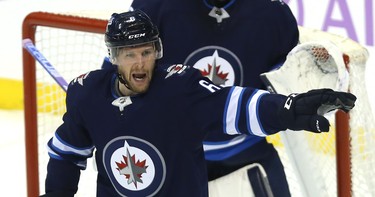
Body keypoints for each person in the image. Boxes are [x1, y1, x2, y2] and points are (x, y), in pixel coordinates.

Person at [41, 10, 356, 197]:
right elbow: (67, 154)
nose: (140, 62)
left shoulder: (180, 89)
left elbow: (236, 106)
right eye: (130, 54)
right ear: (113, 58)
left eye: (147, 52)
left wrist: (289, 108)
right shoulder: (87, 94)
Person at [128, 0, 299, 195]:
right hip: (171, 158)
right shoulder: (153, 7)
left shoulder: (273, 13)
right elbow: (116, 81)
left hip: (247, 153)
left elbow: (294, 77)